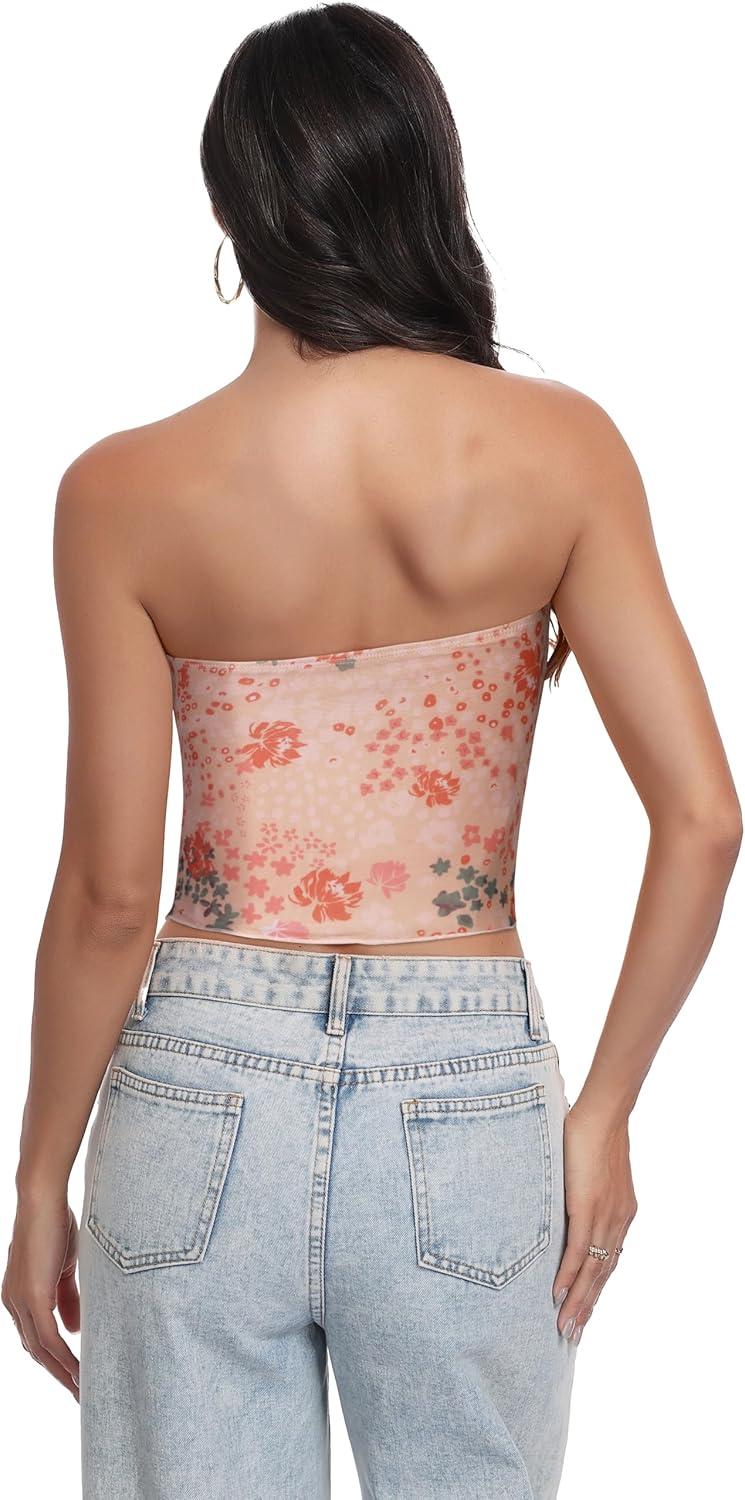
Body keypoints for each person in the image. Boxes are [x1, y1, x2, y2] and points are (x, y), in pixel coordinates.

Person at [2, 5, 741, 1498]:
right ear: (424, 182)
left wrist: (37, 1177)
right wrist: (602, 1110)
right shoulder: (561, 450)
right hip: (464, 1093)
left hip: (195, 1090)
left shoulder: (121, 491)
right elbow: (703, 818)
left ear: (230, 204)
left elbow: (107, 896)